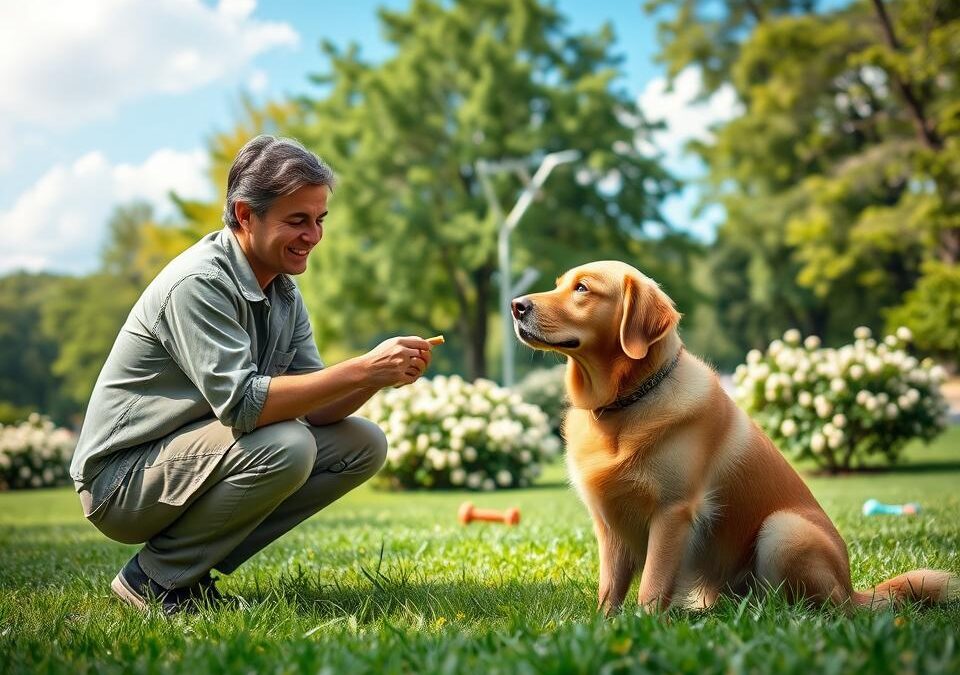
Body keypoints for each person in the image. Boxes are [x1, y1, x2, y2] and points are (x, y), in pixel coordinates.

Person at [71, 135, 435, 613]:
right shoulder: (200, 283)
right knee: (287, 445)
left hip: (190, 459)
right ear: (245, 215)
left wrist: (372, 379)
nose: (314, 236)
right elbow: (244, 405)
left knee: (361, 444)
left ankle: (190, 575)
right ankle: (153, 581)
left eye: (320, 220)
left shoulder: (282, 290)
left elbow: (319, 410)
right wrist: (362, 366)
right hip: (121, 482)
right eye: (297, 221)